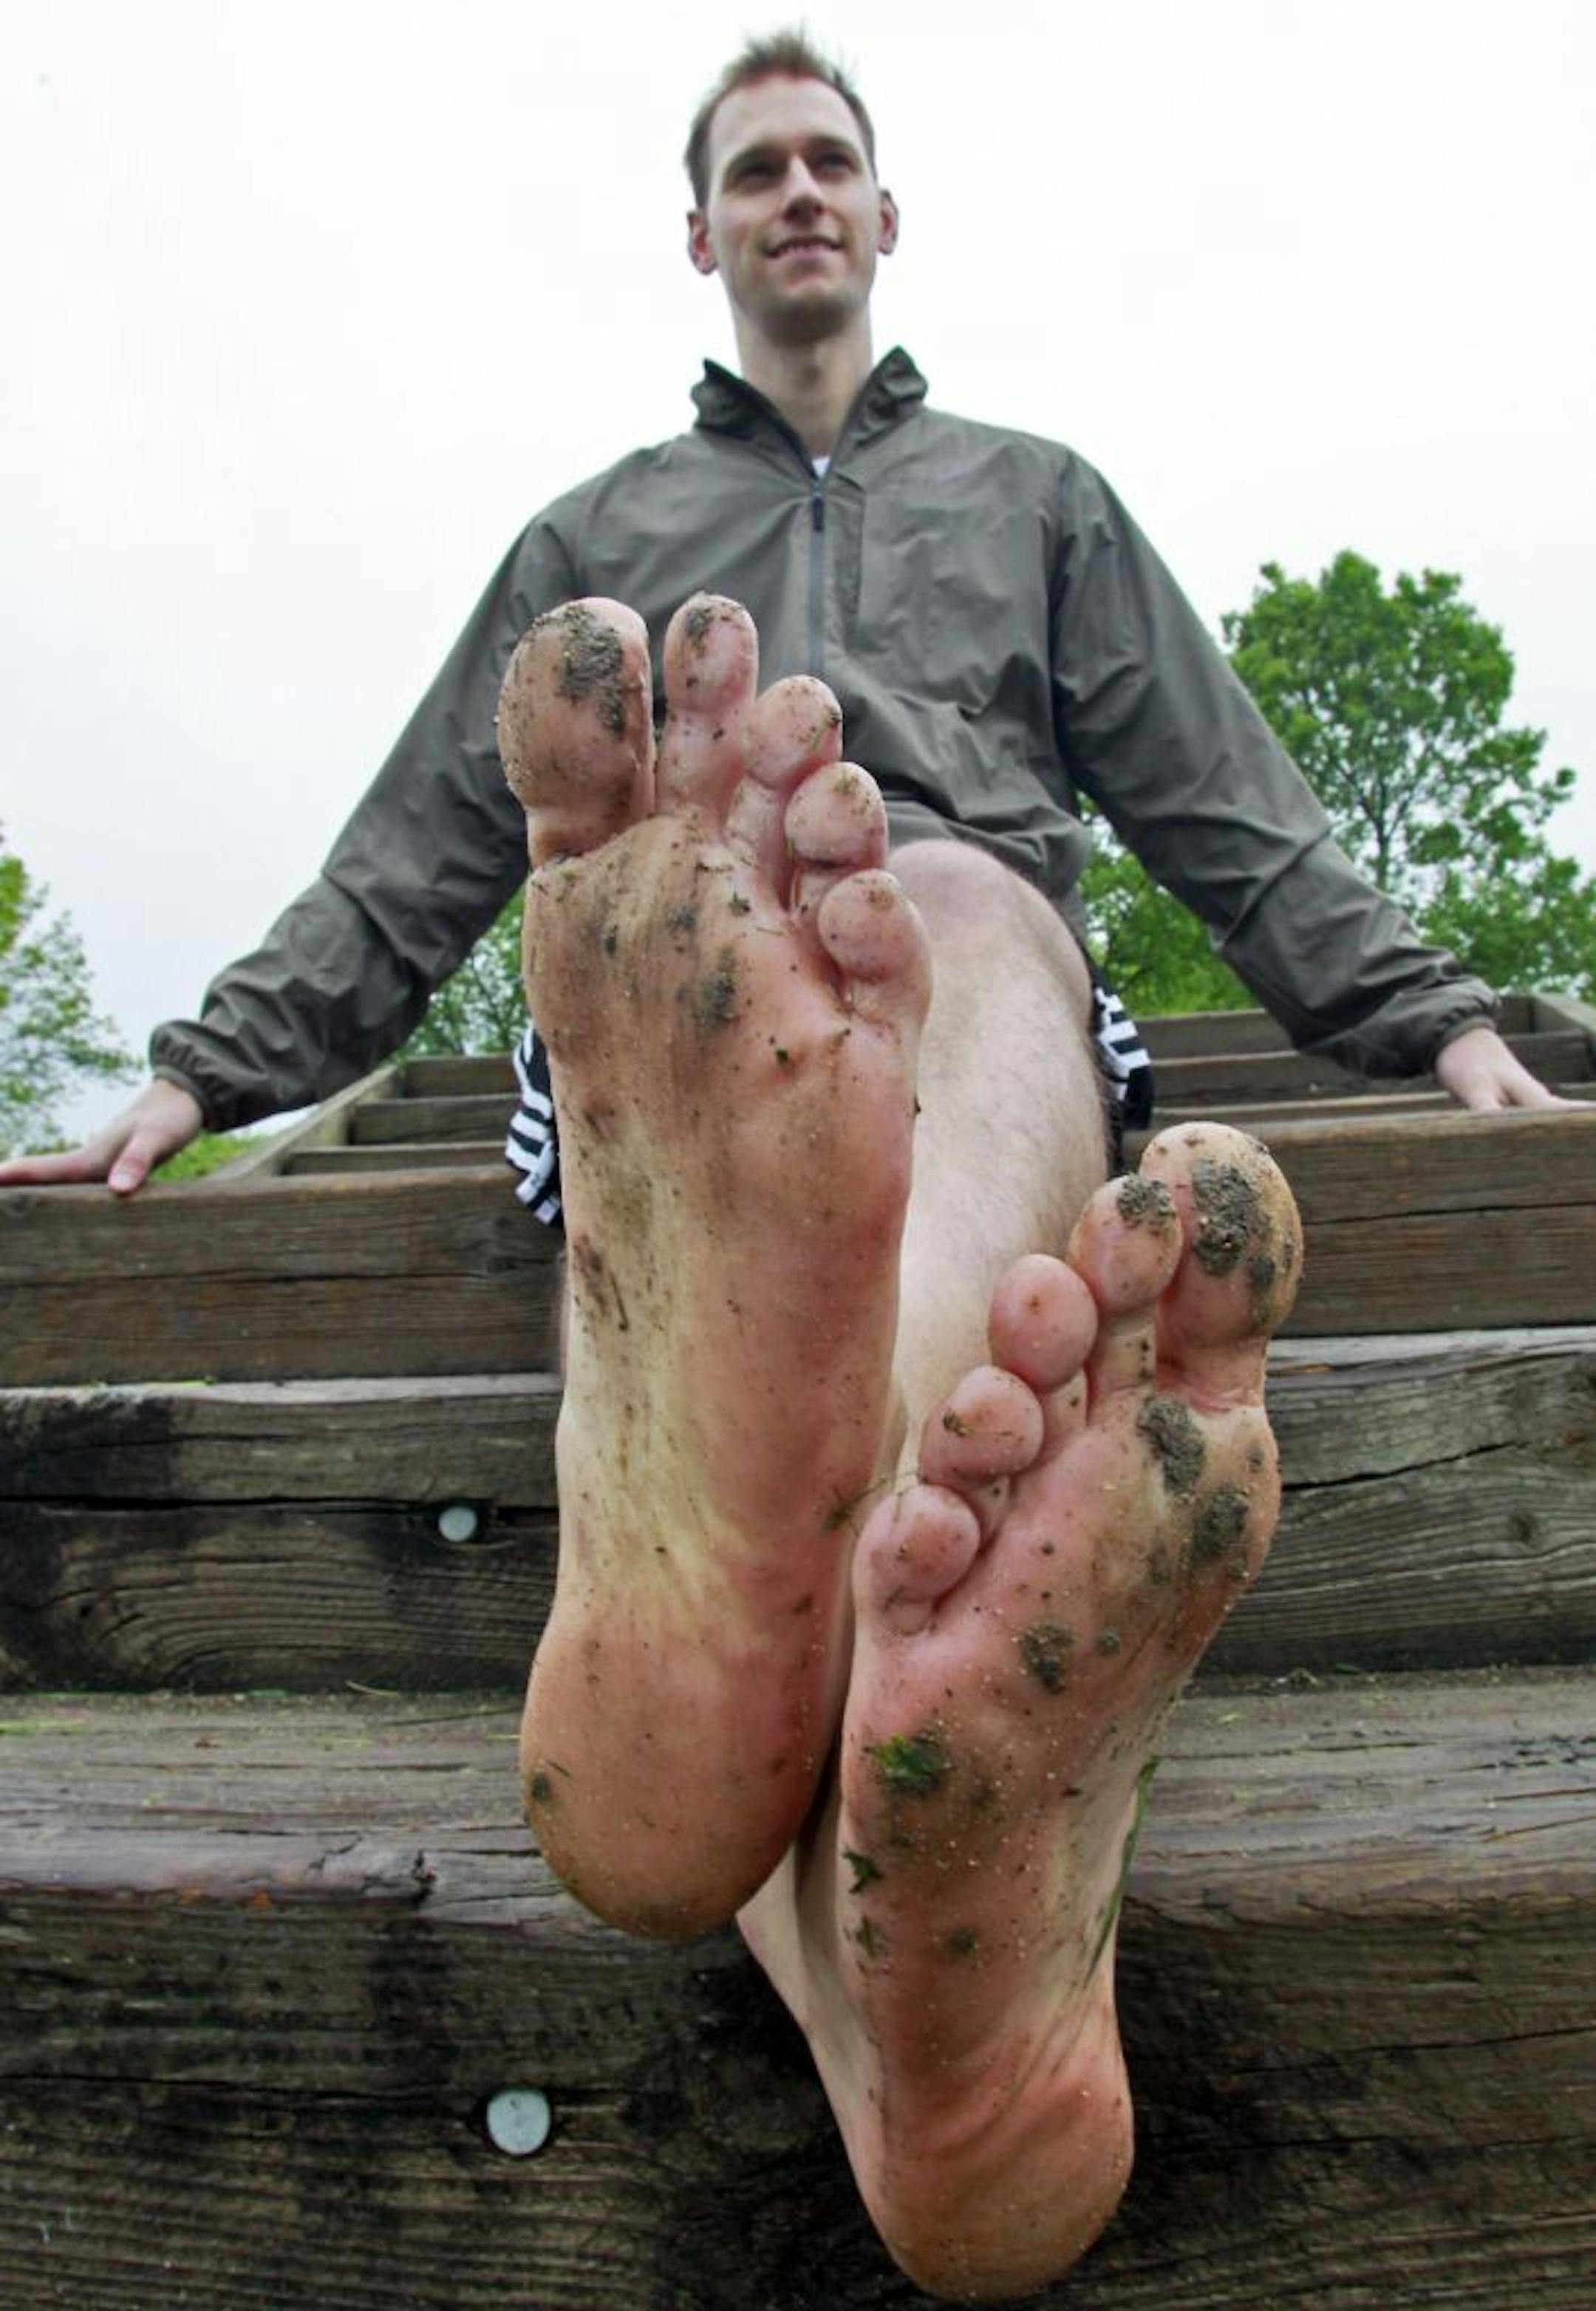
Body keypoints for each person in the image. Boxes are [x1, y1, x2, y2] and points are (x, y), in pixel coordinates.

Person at [0, 31, 1569, 2298]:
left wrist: (1443, 1024)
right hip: (677, 1022)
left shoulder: (1036, 501)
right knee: (706, 1071)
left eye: (833, 158)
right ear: (704, 231)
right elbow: (421, 845)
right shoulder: (598, 544)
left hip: (976, 947)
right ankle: (906, 2048)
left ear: (885, 215)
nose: (801, 189)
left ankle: (769, 1622)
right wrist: (201, 1076)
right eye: (759, 167)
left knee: (954, 953)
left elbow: (1228, 803)